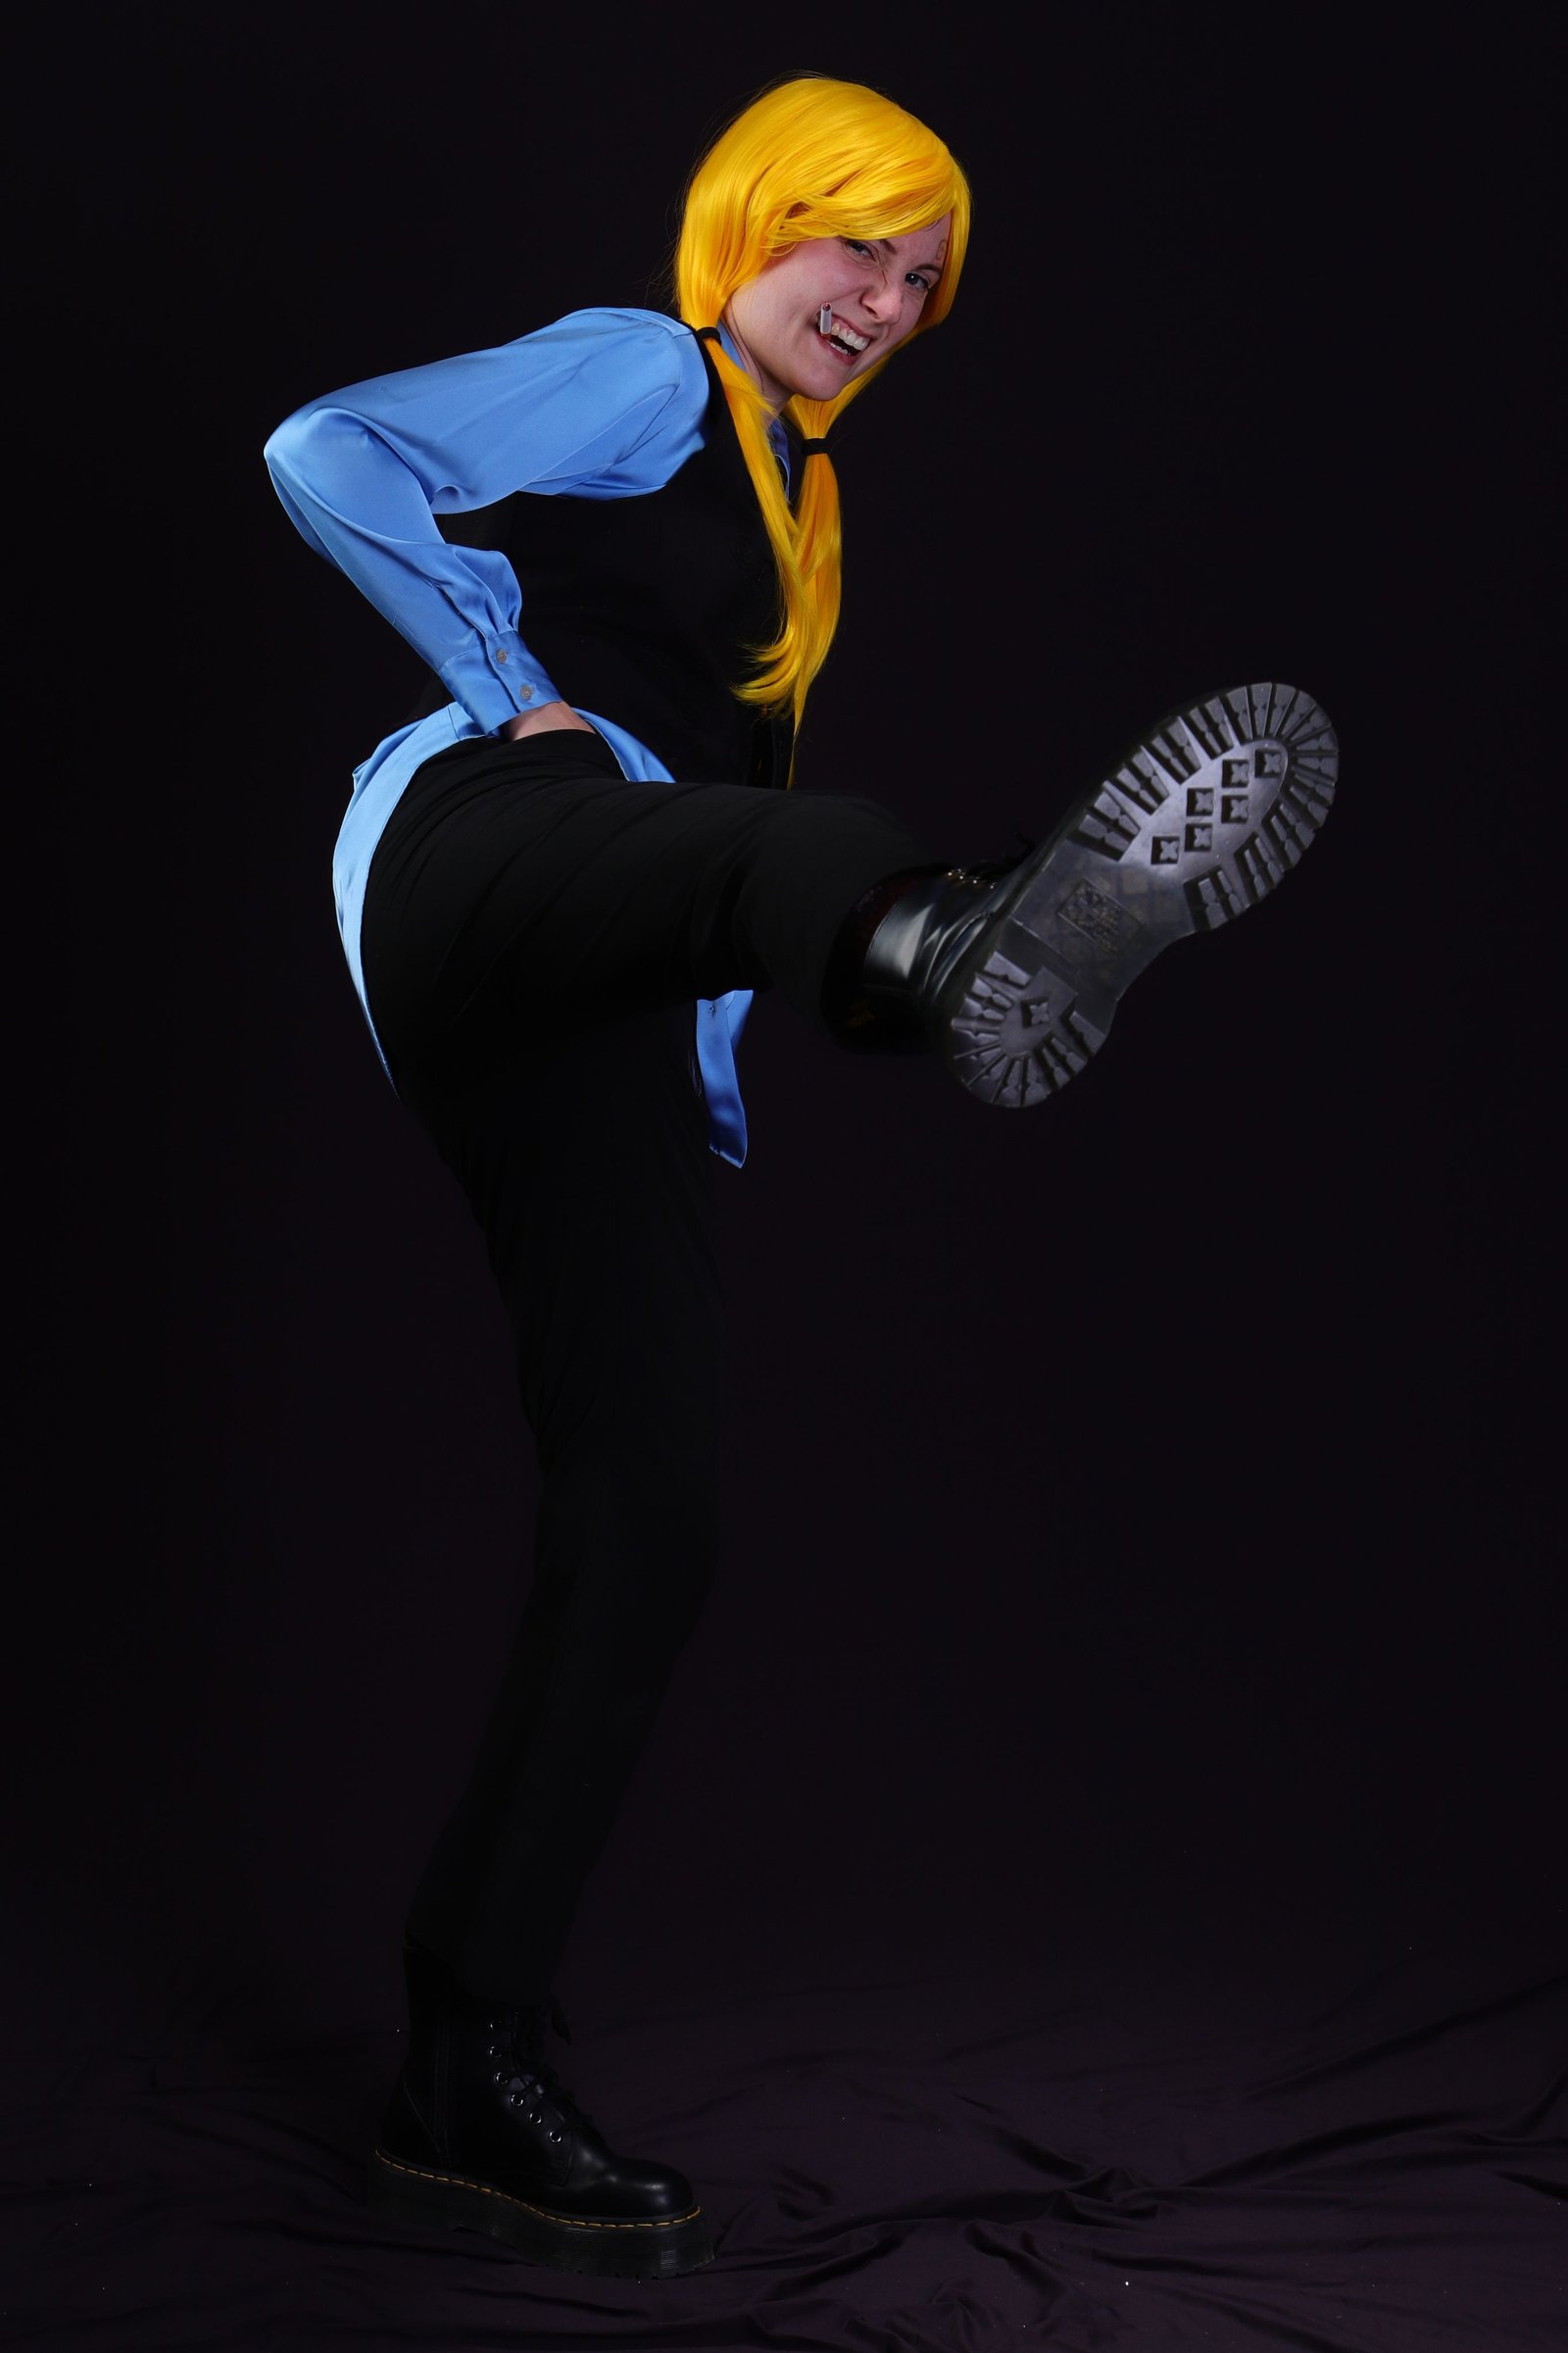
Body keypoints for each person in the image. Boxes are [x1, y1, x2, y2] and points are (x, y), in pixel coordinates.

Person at [264, 73, 1338, 2282]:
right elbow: (326, 446)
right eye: (857, 242)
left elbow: (710, 873)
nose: (883, 299)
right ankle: (950, 942)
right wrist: (504, 680)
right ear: (758, 219)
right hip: (487, 857)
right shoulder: (648, 368)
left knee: (651, 1516)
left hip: (605, 986)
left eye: (921, 279)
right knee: (821, 847)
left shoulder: (800, 499)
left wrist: (732, 1046)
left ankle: (466, 2062)